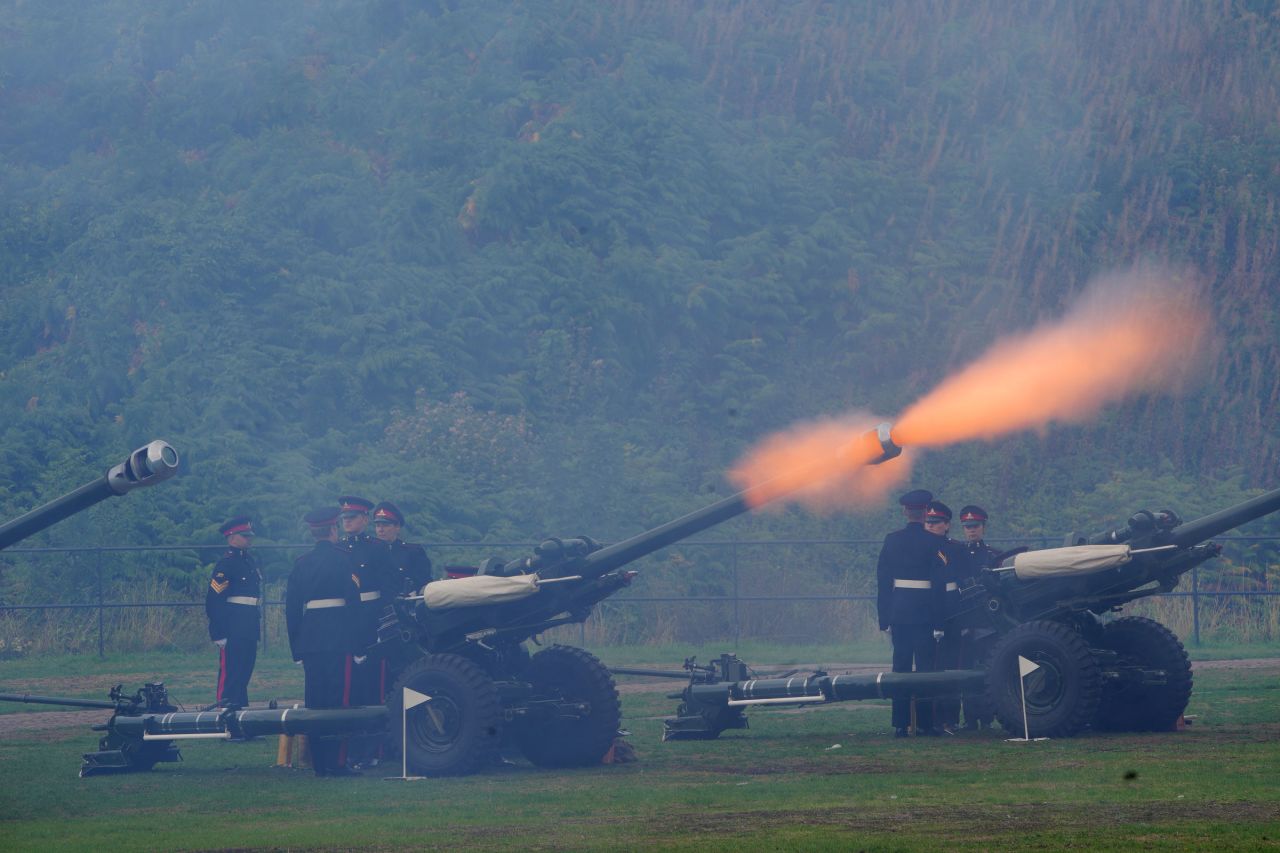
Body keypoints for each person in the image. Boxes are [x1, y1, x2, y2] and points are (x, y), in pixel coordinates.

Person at [286, 507, 363, 777]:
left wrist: (296, 647)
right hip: (339, 637)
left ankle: (319, 762)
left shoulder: (301, 562)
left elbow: (292, 609)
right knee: (339, 701)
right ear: (333, 530)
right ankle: (337, 761)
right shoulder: (345, 559)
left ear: (312, 532)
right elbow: (354, 604)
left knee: (315, 702)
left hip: (310, 639)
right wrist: (358, 643)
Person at [876, 488, 948, 738]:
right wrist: (940, 622)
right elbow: (939, 585)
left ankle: (900, 724)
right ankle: (926, 723)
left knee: (901, 666)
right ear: (926, 512)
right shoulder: (935, 543)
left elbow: (883, 581)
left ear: (905, 511)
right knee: (927, 667)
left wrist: (884, 617)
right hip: (925, 612)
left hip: (900, 610)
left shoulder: (891, 540)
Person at [338, 495, 396, 766]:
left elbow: (388, 589)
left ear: (364, 520)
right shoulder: (338, 548)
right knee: (347, 689)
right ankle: (348, 747)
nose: (347, 522)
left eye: (352, 518)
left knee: (373, 687)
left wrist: (381, 625)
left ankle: (373, 750)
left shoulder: (376, 548)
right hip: (345, 622)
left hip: (370, 620)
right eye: (344, 518)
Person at [923, 501, 972, 735]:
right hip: (927, 612)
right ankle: (930, 719)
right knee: (930, 667)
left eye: (936, 522)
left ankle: (950, 719)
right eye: (928, 522)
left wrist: (962, 619)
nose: (931, 526)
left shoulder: (957, 549)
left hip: (952, 612)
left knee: (952, 667)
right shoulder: (921, 547)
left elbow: (963, 584)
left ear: (946, 525)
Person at [205, 516, 261, 708]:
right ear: (231, 538)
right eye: (244, 536)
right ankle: (226, 718)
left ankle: (241, 716)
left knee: (244, 672)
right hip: (233, 627)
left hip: (249, 625)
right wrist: (218, 632)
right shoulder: (226, 564)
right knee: (231, 674)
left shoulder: (249, 561)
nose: (249, 539)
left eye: (249, 536)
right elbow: (214, 600)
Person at [957, 504, 1000, 729]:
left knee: (988, 667)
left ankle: (988, 715)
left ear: (983, 527)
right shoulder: (957, 554)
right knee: (966, 668)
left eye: (975, 526)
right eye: (967, 527)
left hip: (987, 621)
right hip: (966, 620)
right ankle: (971, 717)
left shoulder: (993, 555)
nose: (971, 530)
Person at [372, 501, 434, 594]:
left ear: (397, 527)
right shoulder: (369, 551)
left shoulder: (413, 553)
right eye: (377, 526)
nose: (380, 530)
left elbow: (423, 583)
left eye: (385, 525)